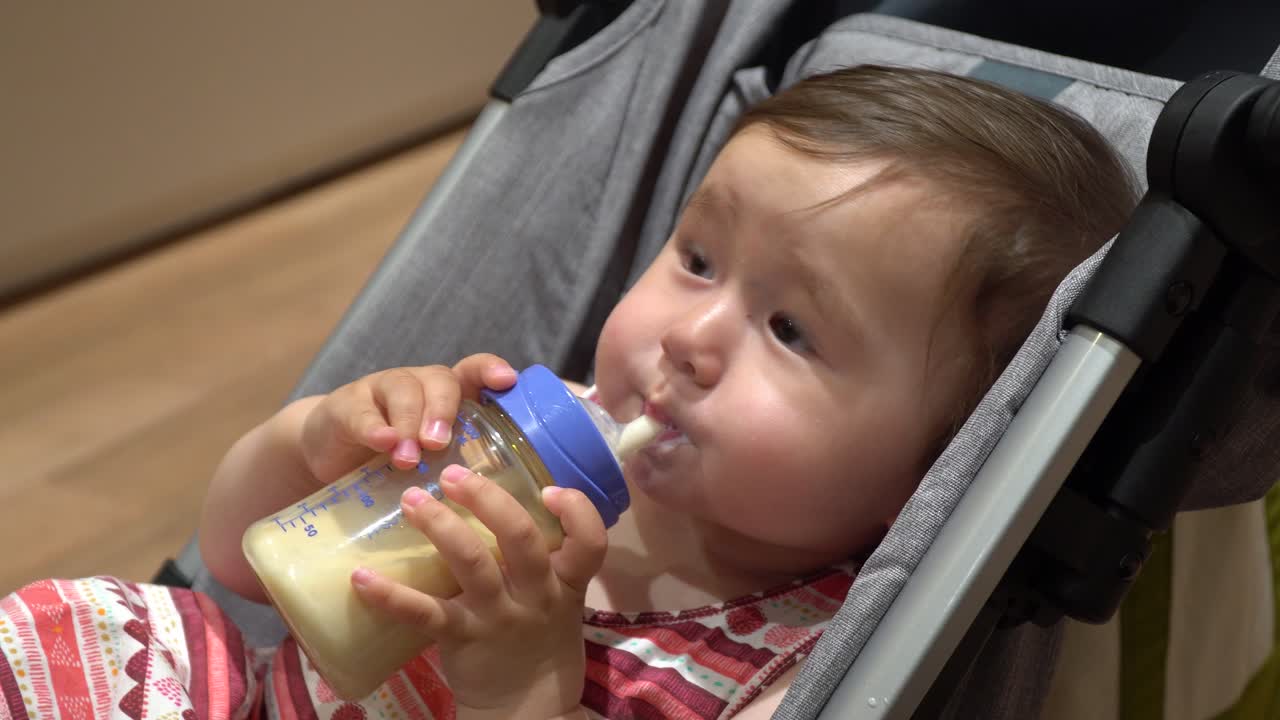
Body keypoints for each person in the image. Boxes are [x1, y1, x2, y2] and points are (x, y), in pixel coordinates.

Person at [1, 65, 1137, 720]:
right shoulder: (511, 456)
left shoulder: (791, 665)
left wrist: (525, 684)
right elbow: (243, 560)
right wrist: (313, 444)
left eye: (791, 329)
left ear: (933, 470)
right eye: (695, 259)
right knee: (94, 630)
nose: (689, 338)